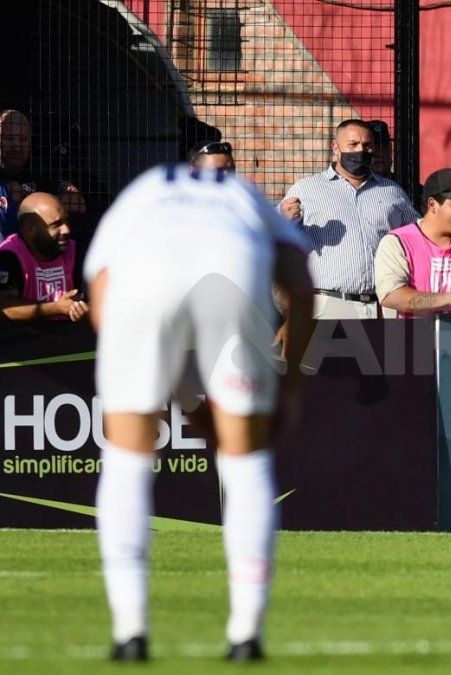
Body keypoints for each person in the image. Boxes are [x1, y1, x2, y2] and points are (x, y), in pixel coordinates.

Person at [84, 163, 314, 662]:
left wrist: (160, 387)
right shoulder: (243, 194)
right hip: (231, 267)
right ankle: (246, 634)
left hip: (141, 276)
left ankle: (130, 633)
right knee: (245, 460)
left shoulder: (136, 195)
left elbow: (101, 304)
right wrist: (290, 390)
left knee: (126, 459)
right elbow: (300, 286)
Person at [279, 119, 419, 319]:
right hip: (330, 305)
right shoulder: (307, 189)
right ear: (336, 148)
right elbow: (272, 234)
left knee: (388, 352)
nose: (361, 150)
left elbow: (418, 234)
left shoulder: (391, 191)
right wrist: (283, 217)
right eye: (353, 145)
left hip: (384, 306)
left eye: (367, 145)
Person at [375, 168, 451, 317]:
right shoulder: (397, 242)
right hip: (411, 338)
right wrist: (450, 296)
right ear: (432, 204)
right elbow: (391, 296)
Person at [0, 192, 88, 322]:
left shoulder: (76, 251)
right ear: (29, 230)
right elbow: (4, 306)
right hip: (22, 338)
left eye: (66, 221)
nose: (66, 230)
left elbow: (101, 298)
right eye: (56, 224)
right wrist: (56, 308)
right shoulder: (9, 255)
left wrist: (85, 311)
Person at [0, 110, 86, 237]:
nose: (17, 146)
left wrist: (30, 204)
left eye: (23, 139)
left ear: (30, 142)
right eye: (9, 138)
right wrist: (6, 201)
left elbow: (77, 201)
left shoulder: (39, 170)